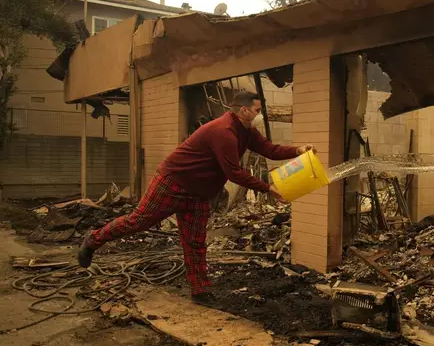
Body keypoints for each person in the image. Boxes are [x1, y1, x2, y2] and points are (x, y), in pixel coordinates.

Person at [77, 91, 315, 307]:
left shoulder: (247, 131)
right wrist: (268, 188)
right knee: (137, 222)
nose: (259, 114)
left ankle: (200, 290)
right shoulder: (224, 131)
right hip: (173, 183)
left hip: (199, 192)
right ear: (243, 110)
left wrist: (297, 150)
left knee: (195, 242)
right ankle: (93, 240)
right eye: (257, 110)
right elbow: (233, 172)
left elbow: (270, 150)